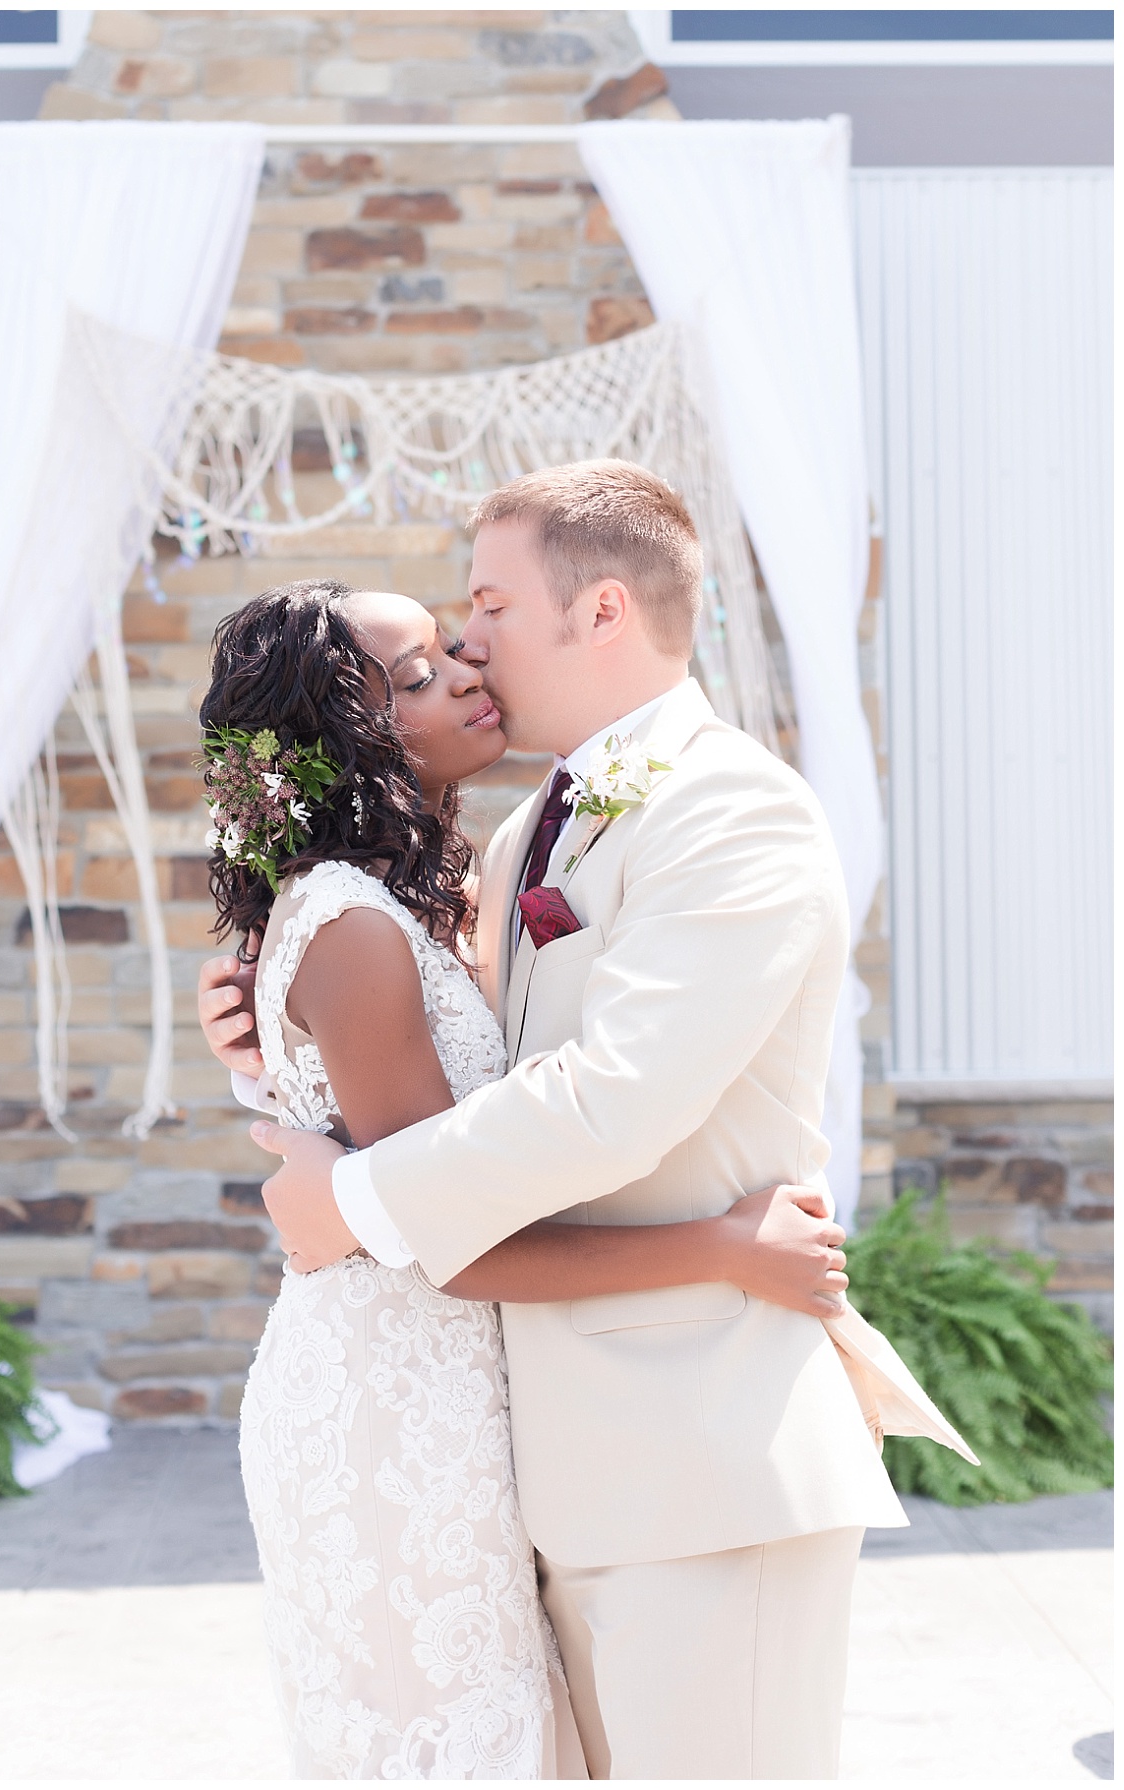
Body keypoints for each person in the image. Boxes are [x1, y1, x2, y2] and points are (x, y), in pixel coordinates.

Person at [203, 462, 971, 1780]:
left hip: (703, 1457)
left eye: (490, 604)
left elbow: (612, 1099)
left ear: (601, 609)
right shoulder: (521, 843)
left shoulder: (733, 809)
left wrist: (354, 1203)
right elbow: (439, 1054)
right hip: (535, 1472)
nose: (472, 641)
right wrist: (266, 1048)